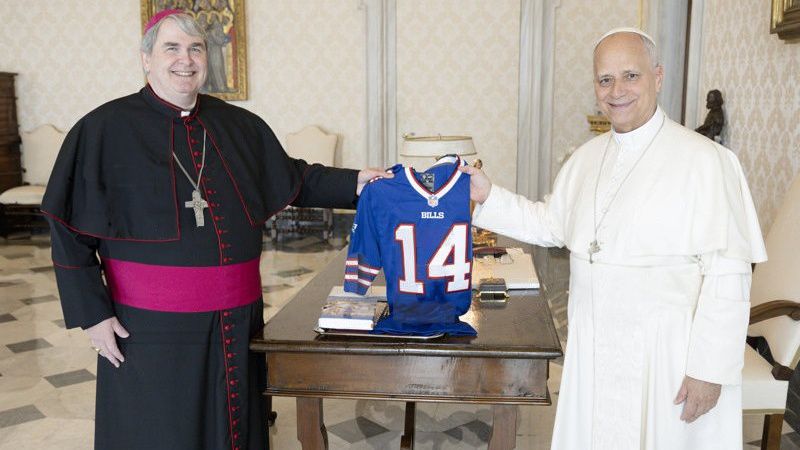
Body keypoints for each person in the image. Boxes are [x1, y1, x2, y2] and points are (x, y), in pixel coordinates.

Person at [41, 9, 389, 450]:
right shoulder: (102, 128)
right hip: (151, 329)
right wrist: (93, 314)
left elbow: (294, 178)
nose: (185, 60)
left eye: (195, 48)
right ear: (146, 59)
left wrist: (361, 182)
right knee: (161, 432)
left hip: (237, 319)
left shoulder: (239, 125)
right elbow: (68, 228)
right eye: (171, 48)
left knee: (234, 428)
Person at [460, 27, 766, 449]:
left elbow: (729, 274)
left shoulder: (707, 161)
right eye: (605, 79)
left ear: (657, 77)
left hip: (670, 357)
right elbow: (551, 224)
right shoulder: (586, 159)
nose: (616, 90)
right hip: (595, 346)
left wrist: (709, 371)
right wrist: (487, 194)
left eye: (630, 76)